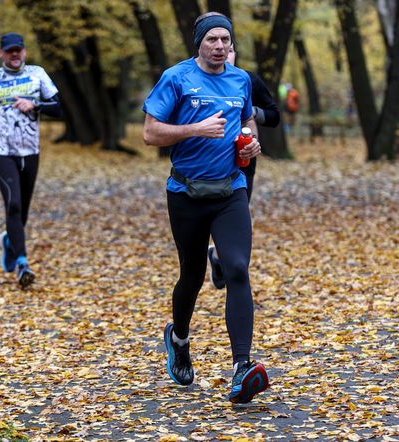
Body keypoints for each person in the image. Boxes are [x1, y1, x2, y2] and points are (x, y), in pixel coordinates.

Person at [142, 12, 269, 403]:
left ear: (231, 45)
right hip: (186, 194)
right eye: (212, 39)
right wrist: (195, 128)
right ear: (199, 42)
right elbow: (150, 133)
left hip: (231, 190)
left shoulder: (241, 79)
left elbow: (247, 121)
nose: (218, 46)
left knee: (236, 268)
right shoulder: (176, 78)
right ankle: (178, 338)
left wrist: (251, 144)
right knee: (193, 275)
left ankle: (241, 367)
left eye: (224, 40)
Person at [0, 32, 61, 288]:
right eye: (10, 51)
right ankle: (22, 263)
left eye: (18, 50)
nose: (15, 54)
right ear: (1, 54)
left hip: (30, 150)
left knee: (23, 210)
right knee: (14, 205)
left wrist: (35, 105)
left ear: (24, 52)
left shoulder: (37, 73)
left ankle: (9, 241)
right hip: (1, 149)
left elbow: (58, 106)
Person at [207, 44, 281, 289]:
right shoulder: (196, 80)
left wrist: (247, 110)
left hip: (243, 159)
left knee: (235, 214)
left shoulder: (248, 80)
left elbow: (274, 115)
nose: (224, 55)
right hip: (206, 160)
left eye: (229, 50)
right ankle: (218, 258)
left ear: (235, 53)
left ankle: (223, 261)